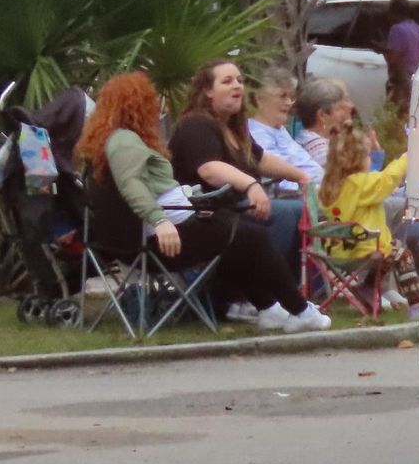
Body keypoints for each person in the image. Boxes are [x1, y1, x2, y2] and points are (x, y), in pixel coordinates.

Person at [76, 72, 329, 332]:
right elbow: (132, 185)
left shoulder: (115, 140)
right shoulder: (124, 141)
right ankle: (300, 310)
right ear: (136, 105)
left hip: (161, 227)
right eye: (150, 101)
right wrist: (159, 220)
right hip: (157, 238)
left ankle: (269, 308)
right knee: (250, 235)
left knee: (239, 235)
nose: (156, 108)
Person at [169, 59, 313, 314]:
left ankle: (270, 294)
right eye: (227, 81)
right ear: (207, 91)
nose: (237, 86)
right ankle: (242, 295)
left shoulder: (234, 128)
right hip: (200, 216)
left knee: (297, 209)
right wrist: (250, 185)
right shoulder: (196, 124)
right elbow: (209, 168)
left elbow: (260, 159)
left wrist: (300, 176)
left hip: (229, 210)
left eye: (239, 80)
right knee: (283, 213)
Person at [319, 123, 417, 312]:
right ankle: (417, 304)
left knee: (390, 251)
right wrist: (405, 159)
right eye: (367, 155)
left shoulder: (330, 185)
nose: (369, 158)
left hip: (338, 251)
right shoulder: (360, 184)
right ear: (358, 159)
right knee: (402, 254)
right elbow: (387, 179)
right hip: (366, 247)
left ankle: (368, 286)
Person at [248, 72, 322, 192]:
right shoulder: (257, 133)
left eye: (291, 97)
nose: (289, 102)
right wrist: (316, 192)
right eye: (282, 96)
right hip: (303, 197)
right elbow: (276, 181)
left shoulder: (278, 128)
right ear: (259, 99)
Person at [291, 77, 357, 172]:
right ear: (322, 115)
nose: (342, 114)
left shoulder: (306, 138)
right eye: (338, 109)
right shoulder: (321, 151)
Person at [382, 0, 419, 116]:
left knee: (397, 118)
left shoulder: (397, 29)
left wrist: (385, 52)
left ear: (393, 12)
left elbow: (395, 59)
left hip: (403, 83)